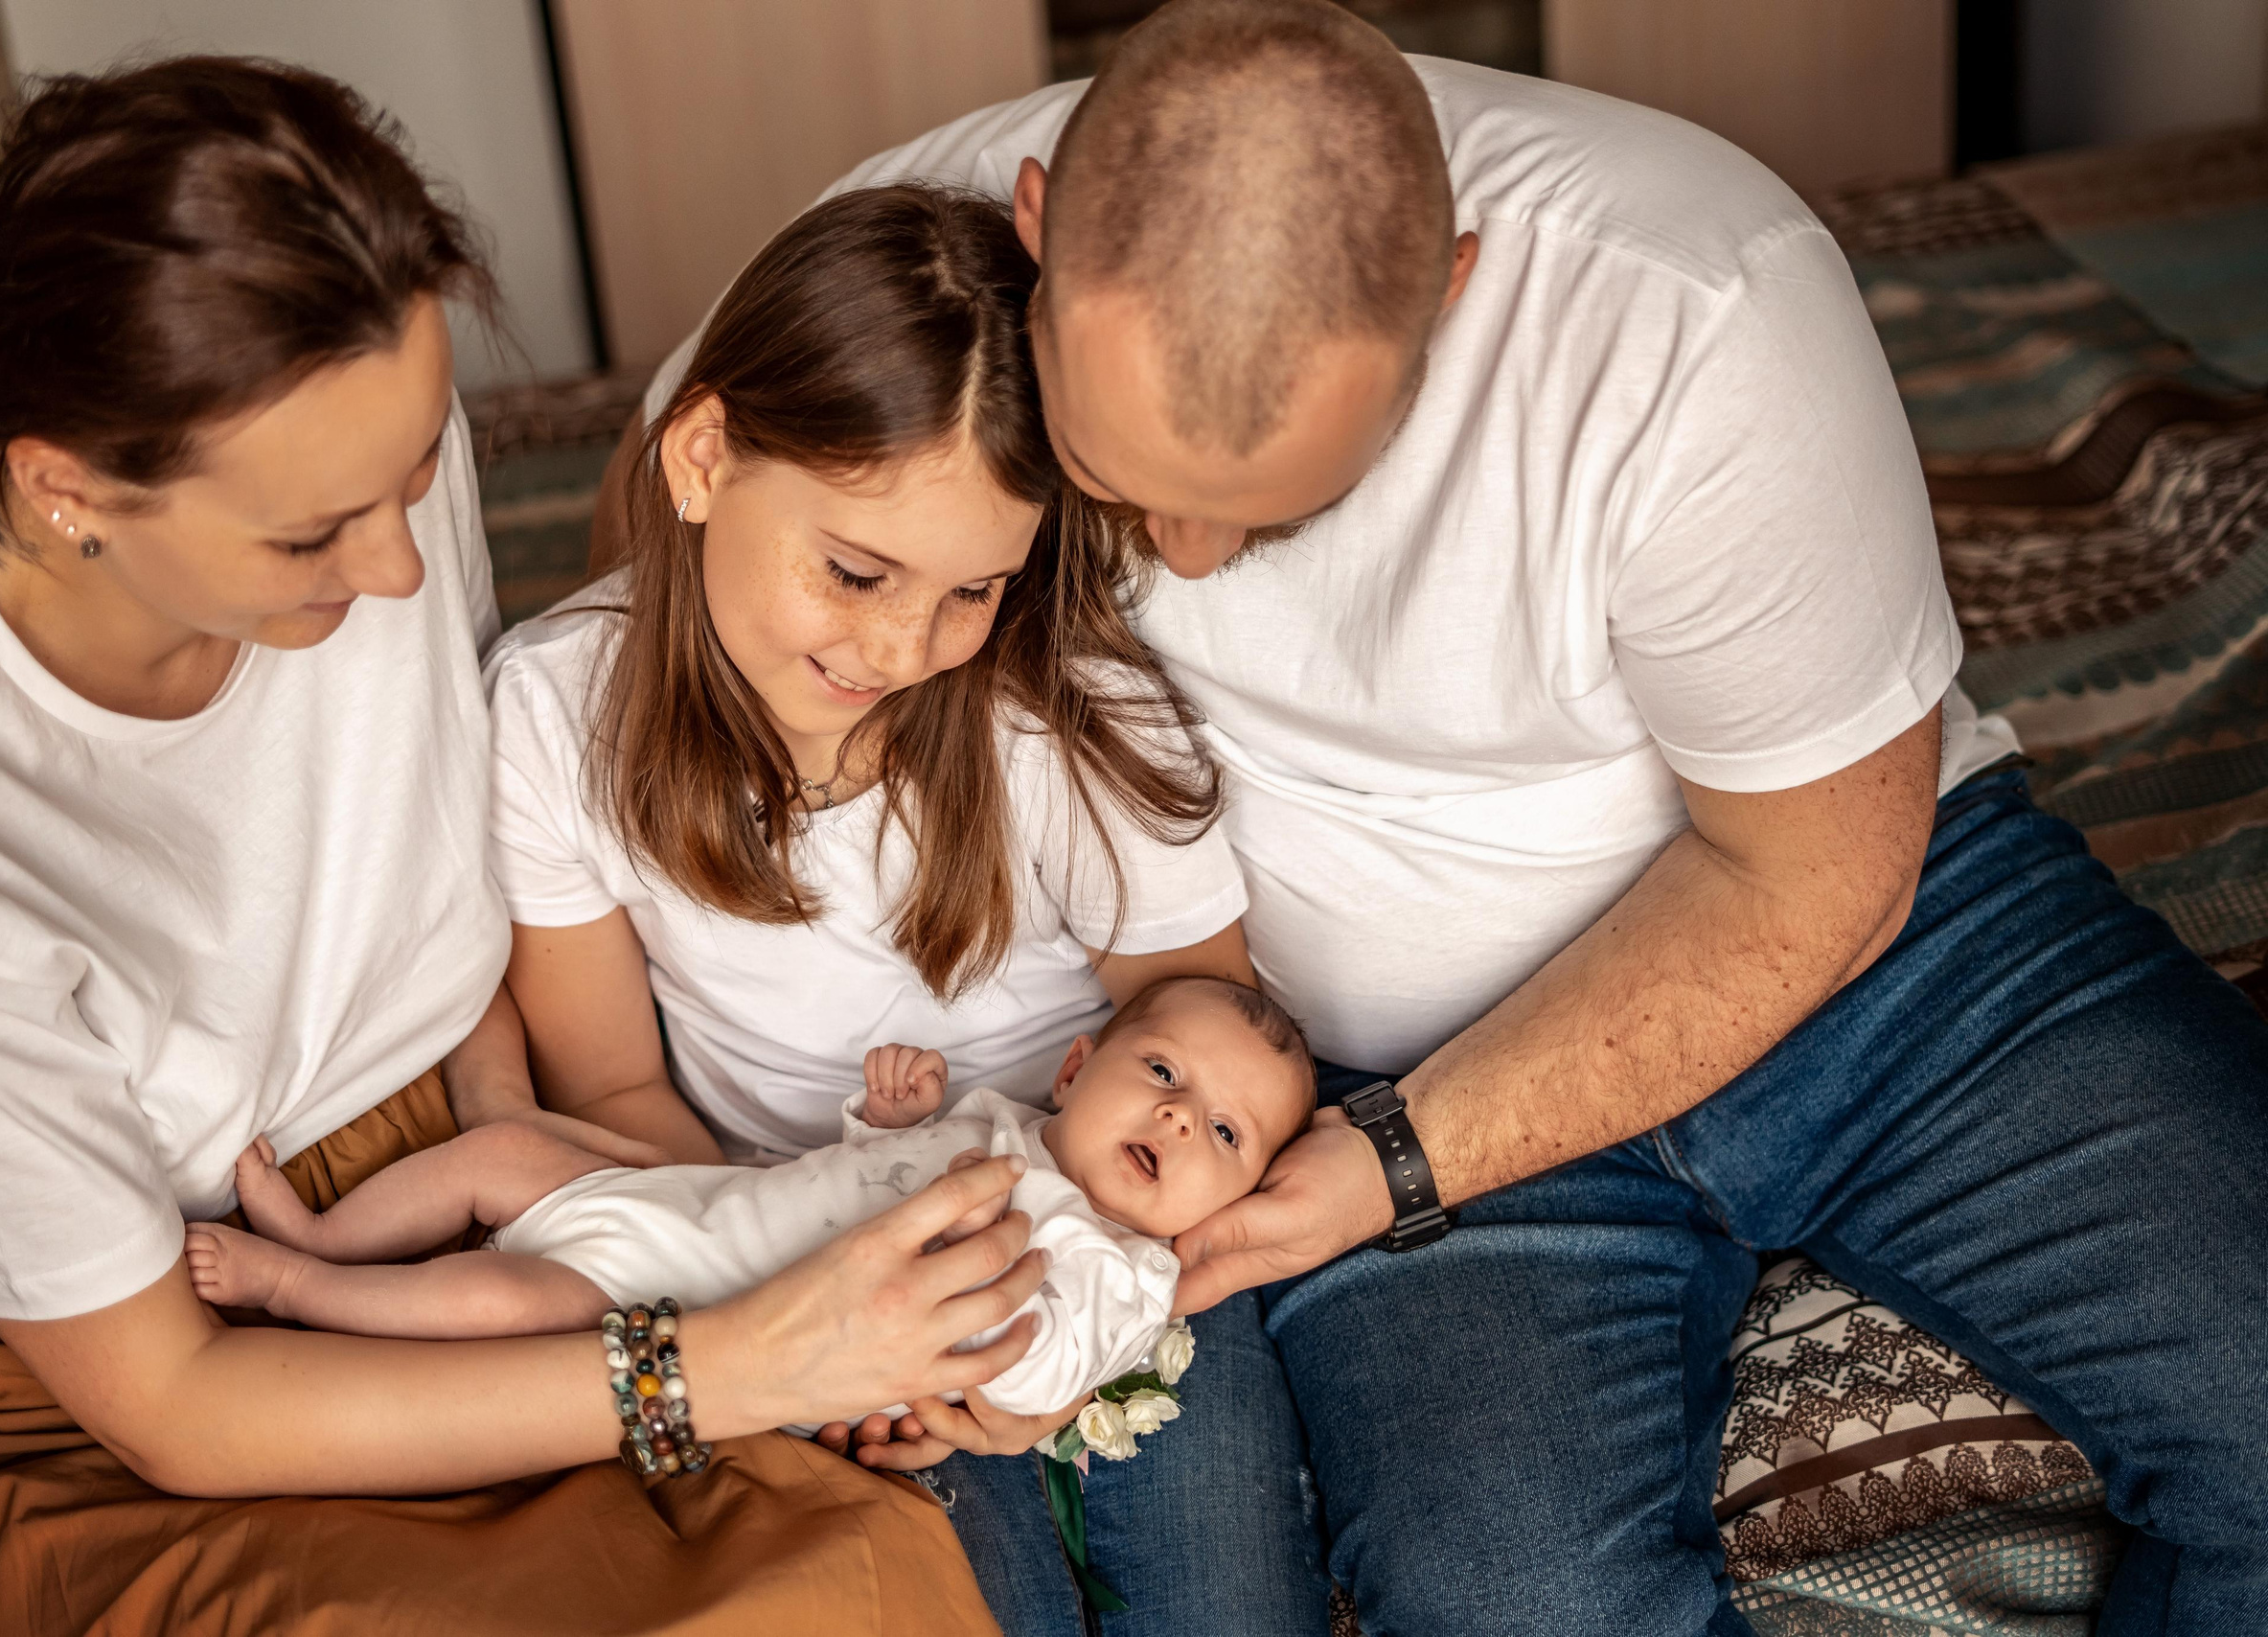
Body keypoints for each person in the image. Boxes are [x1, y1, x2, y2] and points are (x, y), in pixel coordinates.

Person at [637, 3, 2268, 1633]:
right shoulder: (901, 257)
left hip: (1882, 947)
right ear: (1039, 230)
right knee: (1512, 1596)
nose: (1187, 561)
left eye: (1276, 504)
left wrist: (1395, 1165)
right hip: (1363, 1067)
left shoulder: (1697, 307)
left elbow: (1818, 868)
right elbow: (680, 563)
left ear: (1454, 292)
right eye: (1116, 476)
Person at [0, 58, 1039, 1637]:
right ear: (63, 490)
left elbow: (412, 831)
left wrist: (532, 1144)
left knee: (853, 1581)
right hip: (100, 1354)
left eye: (411, 477)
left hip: (442, 1164)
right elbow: (180, 1408)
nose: (400, 572)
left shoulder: (363, 450)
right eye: (317, 532)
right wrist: (731, 1361)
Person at [467, 181, 1275, 1466]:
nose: (906, 649)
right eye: (854, 571)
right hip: (781, 1243)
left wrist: (1074, 1321)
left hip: (1094, 1248)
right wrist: (817, 1312)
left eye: (973, 589)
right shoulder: (556, 713)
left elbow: (1210, 1032)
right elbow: (613, 1080)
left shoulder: (1056, 713)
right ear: (702, 461)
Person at [186, 976, 1316, 1433]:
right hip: (689, 1200)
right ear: (1074, 1071)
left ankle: (304, 1284)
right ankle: (323, 1227)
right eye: (1163, 1074)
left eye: (1223, 1133)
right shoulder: (1005, 1125)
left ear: (1236, 1193)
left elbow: (1037, 1370)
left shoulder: (1122, 1269)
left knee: (495, 1298)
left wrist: (985, 1301)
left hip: (686, 1300)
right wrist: (890, 1120)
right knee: (502, 1152)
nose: (1177, 1119)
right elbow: (856, 1175)